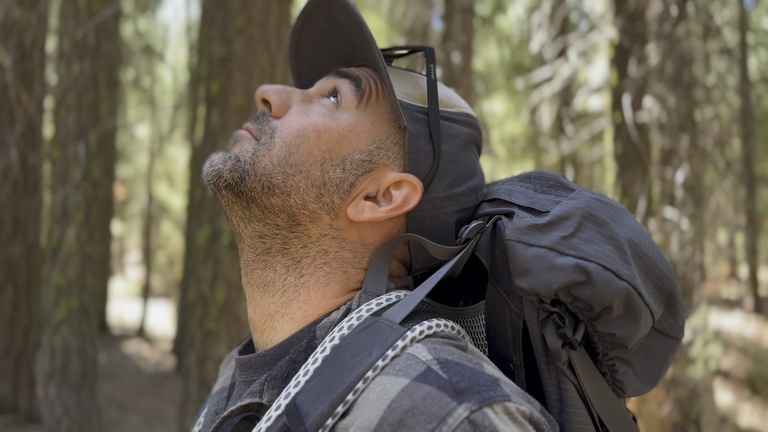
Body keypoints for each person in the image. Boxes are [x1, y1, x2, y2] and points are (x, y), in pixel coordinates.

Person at [193, 0, 558, 430]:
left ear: (381, 197)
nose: (269, 94)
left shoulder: (447, 410)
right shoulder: (242, 370)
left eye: (333, 97)